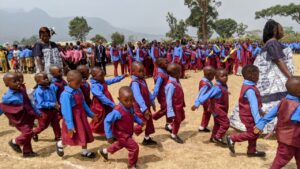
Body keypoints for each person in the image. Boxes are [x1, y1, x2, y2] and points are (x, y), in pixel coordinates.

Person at [230, 19, 294, 133]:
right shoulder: (273, 43)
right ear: (274, 30)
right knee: (276, 100)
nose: (282, 31)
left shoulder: (270, 43)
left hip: (269, 78)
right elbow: (278, 61)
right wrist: (290, 77)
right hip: (273, 79)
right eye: (281, 28)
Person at [254, 77, 300, 169]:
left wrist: (260, 124)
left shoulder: (283, 101)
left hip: (286, 137)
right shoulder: (298, 106)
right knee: (282, 159)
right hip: (291, 139)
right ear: (298, 91)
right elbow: (296, 119)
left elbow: (270, 114)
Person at [99, 86, 144, 169]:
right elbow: (107, 121)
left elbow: (133, 116)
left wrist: (140, 122)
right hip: (121, 134)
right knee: (134, 148)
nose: (129, 102)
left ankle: (105, 151)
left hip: (127, 132)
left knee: (120, 144)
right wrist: (109, 136)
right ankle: (131, 165)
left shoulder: (130, 107)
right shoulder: (117, 111)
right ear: (119, 99)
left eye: (131, 100)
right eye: (126, 100)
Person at [56, 70, 97, 158]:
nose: (79, 85)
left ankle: (84, 151)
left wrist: (91, 114)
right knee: (70, 136)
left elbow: (83, 103)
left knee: (84, 132)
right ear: (69, 82)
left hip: (81, 116)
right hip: (72, 118)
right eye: (77, 83)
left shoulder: (78, 90)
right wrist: (70, 126)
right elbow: (66, 111)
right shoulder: (66, 94)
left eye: (80, 82)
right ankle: (60, 144)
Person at [226, 65, 266, 157]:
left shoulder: (248, 85)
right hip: (249, 116)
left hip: (247, 114)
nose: (258, 77)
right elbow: (253, 107)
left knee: (252, 132)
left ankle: (251, 151)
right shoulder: (250, 90)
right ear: (251, 75)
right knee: (253, 133)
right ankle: (232, 138)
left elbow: (255, 104)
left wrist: (261, 111)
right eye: (257, 75)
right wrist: (258, 122)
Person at [0, 73, 40, 157]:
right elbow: (4, 108)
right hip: (19, 119)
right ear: (7, 84)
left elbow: (28, 102)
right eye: (15, 81)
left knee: (28, 132)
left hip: (27, 115)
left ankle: (27, 151)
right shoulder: (7, 97)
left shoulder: (22, 89)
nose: (18, 82)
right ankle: (14, 142)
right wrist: (10, 119)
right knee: (28, 132)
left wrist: (36, 112)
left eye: (19, 80)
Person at [191, 69, 229, 145]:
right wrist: (197, 103)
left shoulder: (223, 85)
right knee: (226, 123)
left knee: (217, 123)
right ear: (217, 78)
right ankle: (218, 137)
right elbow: (206, 95)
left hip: (221, 108)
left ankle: (213, 137)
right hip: (217, 109)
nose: (225, 77)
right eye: (222, 76)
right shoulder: (216, 87)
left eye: (226, 75)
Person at [89, 67, 126, 135]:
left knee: (109, 116)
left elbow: (112, 80)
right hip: (100, 105)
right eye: (101, 75)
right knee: (100, 118)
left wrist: (121, 77)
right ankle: (91, 130)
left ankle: (111, 131)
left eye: (103, 75)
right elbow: (101, 97)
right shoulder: (95, 86)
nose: (103, 77)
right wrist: (112, 104)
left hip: (107, 103)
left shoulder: (102, 81)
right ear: (94, 77)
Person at [130, 62, 157, 145]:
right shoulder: (135, 83)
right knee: (143, 123)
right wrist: (144, 108)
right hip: (140, 107)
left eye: (143, 70)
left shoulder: (142, 80)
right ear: (133, 72)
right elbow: (138, 96)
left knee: (148, 122)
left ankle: (147, 138)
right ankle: (127, 134)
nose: (143, 72)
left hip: (146, 106)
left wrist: (152, 102)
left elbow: (148, 92)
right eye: (140, 71)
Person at [32, 73, 61, 142]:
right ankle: (34, 133)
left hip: (53, 110)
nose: (47, 80)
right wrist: (53, 104)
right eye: (44, 79)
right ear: (38, 82)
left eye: (47, 78)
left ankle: (58, 136)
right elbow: (41, 103)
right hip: (43, 111)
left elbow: (57, 87)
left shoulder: (51, 87)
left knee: (56, 123)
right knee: (43, 125)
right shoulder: (38, 91)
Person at [165, 63, 186, 143]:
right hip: (175, 107)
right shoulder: (170, 84)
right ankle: (174, 134)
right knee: (177, 120)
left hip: (179, 105)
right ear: (176, 73)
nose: (181, 73)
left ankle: (170, 126)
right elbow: (168, 99)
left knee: (182, 117)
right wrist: (170, 112)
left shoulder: (176, 81)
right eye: (180, 71)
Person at [152, 58, 172, 132]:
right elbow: (157, 87)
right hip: (162, 95)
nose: (168, 64)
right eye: (166, 63)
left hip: (167, 94)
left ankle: (168, 123)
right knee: (165, 109)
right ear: (160, 64)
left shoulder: (165, 71)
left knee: (168, 108)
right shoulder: (160, 74)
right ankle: (152, 117)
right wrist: (153, 98)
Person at [196, 66, 216, 132]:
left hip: (208, 101)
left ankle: (203, 126)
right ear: (209, 75)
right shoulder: (204, 83)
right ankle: (202, 126)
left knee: (207, 113)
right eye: (213, 76)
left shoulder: (207, 81)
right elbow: (201, 94)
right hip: (207, 102)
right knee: (209, 113)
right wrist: (197, 103)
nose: (213, 78)